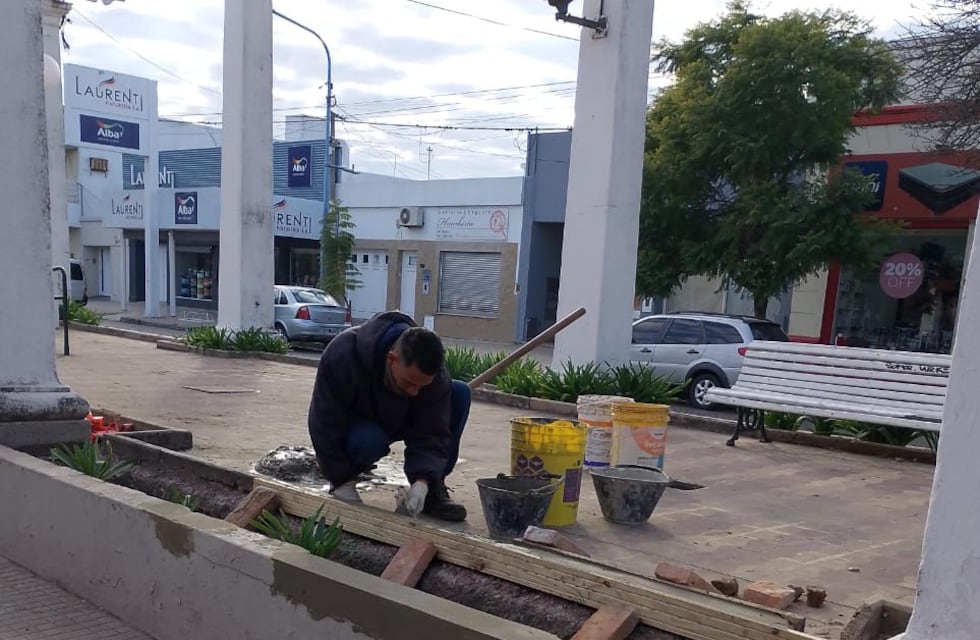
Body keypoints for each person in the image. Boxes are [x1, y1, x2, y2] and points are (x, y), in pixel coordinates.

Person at [307, 310, 470, 522]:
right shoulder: (344, 354)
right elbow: (323, 422)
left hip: (403, 419)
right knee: (369, 441)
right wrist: (340, 478)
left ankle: (432, 492)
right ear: (391, 358)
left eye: (421, 386)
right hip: (363, 426)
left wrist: (423, 481)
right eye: (409, 383)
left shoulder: (434, 377)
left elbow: (433, 432)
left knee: (459, 393)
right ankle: (345, 477)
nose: (415, 392)